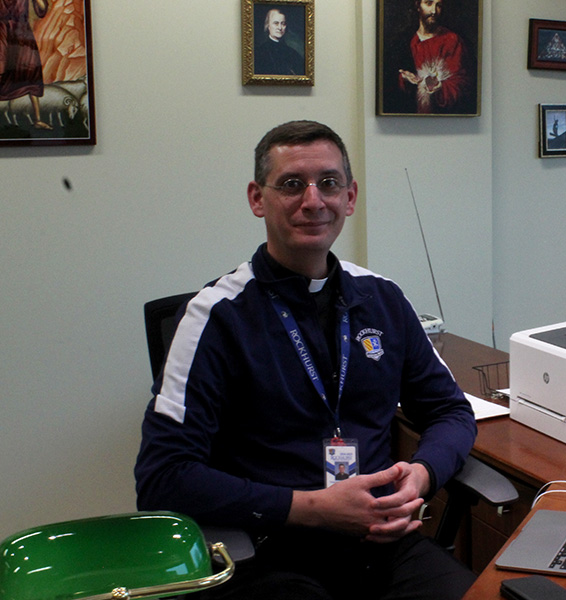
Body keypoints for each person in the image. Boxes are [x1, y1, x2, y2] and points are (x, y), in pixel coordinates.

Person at [135, 120, 478, 600]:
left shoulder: (383, 299)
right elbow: (162, 476)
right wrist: (312, 507)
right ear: (258, 198)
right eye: (292, 184)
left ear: (350, 197)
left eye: (329, 183)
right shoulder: (215, 317)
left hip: (382, 543)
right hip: (271, 550)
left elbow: (450, 411)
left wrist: (422, 475)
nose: (313, 201)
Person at [397, 0, 472, 114]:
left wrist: (439, 87)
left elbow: (463, 84)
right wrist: (404, 80)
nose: (434, 11)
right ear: (418, 6)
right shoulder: (405, 40)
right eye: (428, 3)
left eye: (439, 5)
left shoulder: (452, 40)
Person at [0, 0, 51, 130]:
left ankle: (37, 120)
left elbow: (42, 10)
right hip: (2, 32)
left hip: (22, 33)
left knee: (32, 70)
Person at [254, 8, 305, 76]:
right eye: (276, 23)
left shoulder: (293, 53)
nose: (280, 28)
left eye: (283, 24)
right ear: (268, 26)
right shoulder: (259, 53)